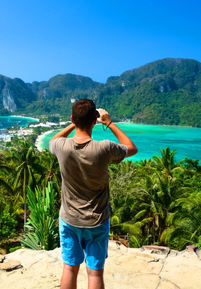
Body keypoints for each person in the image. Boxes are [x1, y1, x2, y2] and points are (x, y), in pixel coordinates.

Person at [49, 99, 137, 289]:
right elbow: (131, 148)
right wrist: (110, 123)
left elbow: (52, 140)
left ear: (73, 118)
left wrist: (73, 124)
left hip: (70, 219)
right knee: (95, 273)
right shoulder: (104, 148)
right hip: (97, 220)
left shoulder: (61, 147)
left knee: (70, 269)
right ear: (95, 120)